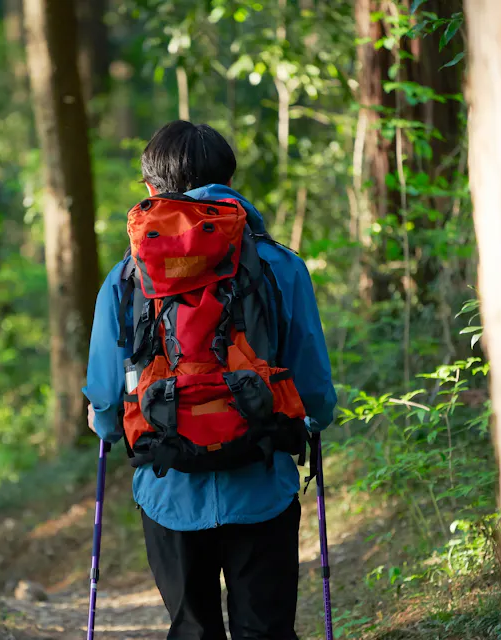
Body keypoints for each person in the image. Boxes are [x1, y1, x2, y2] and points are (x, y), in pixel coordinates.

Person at [83, 120, 336, 640]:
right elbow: (313, 387)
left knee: (193, 628)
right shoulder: (280, 266)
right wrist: (311, 418)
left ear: (153, 188)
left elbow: (107, 401)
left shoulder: (127, 276)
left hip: (169, 486)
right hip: (261, 477)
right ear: (229, 180)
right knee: (264, 631)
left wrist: (106, 424)